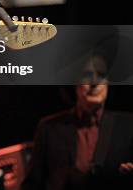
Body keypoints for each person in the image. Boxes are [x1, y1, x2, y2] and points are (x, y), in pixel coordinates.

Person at [22, 54, 133, 190]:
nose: (94, 82)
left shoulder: (128, 125)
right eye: (87, 75)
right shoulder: (48, 128)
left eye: (101, 75)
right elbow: (31, 185)